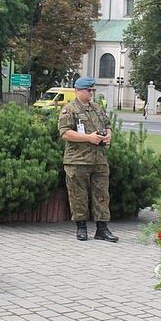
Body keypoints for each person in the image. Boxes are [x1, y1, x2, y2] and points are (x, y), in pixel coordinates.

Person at [58, 76, 118, 242]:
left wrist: (108, 136)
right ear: (77, 90)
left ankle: (102, 228)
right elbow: (65, 133)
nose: (91, 93)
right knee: (78, 195)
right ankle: (81, 227)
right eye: (88, 90)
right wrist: (88, 138)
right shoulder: (69, 109)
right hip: (78, 160)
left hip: (99, 159)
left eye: (92, 90)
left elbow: (107, 126)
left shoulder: (97, 108)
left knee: (102, 194)